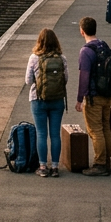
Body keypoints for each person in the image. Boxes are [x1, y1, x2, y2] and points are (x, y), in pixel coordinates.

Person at [25, 28, 68, 178]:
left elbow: (28, 81)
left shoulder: (34, 58)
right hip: (57, 100)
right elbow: (65, 79)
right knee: (55, 134)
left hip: (38, 100)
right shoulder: (62, 58)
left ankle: (43, 166)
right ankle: (55, 167)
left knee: (41, 133)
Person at [76, 17, 111, 176]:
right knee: (105, 127)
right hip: (107, 95)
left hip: (94, 97)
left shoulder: (86, 51)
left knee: (95, 130)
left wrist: (80, 99)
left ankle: (99, 164)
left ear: (82, 31)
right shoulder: (104, 45)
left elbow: (84, 77)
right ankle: (107, 161)